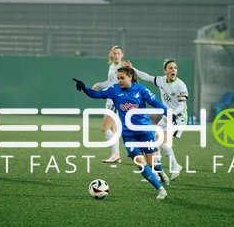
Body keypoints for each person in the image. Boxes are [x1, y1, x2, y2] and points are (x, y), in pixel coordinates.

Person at [73, 66, 171, 199]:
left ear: (130, 77)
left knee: (152, 163)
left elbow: (156, 103)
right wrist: (84, 87)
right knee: (140, 163)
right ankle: (160, 189)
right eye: (118, 78)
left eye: (122, 78)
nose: (119, 80)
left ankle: (161, 173)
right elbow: (96, 94)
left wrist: (169, 115)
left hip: (145, 131)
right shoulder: (114, 90)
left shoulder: (141, 89)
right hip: (128, 134)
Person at [122, 58, 188, 180]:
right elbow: (146, 77)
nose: (173, 70)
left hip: (178, 118)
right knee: (155, 143)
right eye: (170, 68)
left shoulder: (181, 85)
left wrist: (172, 114)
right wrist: (133, 69)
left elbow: (182, 105)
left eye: (175, 68)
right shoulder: (161, 80)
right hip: (166, 117)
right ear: (165, 71)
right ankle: (157, 173)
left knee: (162, 142)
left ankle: (174, 167)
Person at [91, 46, 125, 163]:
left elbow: (128, 82)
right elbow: (109, 83)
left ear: (122, 55)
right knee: (112, 129)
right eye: (114, 53)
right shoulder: (112, 67)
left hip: (115, 100)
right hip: (109, 100)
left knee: (105, 128)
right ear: (111, 55)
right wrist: (99, 84)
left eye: (119, 53)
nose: (116, 55)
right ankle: (116, 155)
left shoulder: (123, 67)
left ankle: (116, 154)